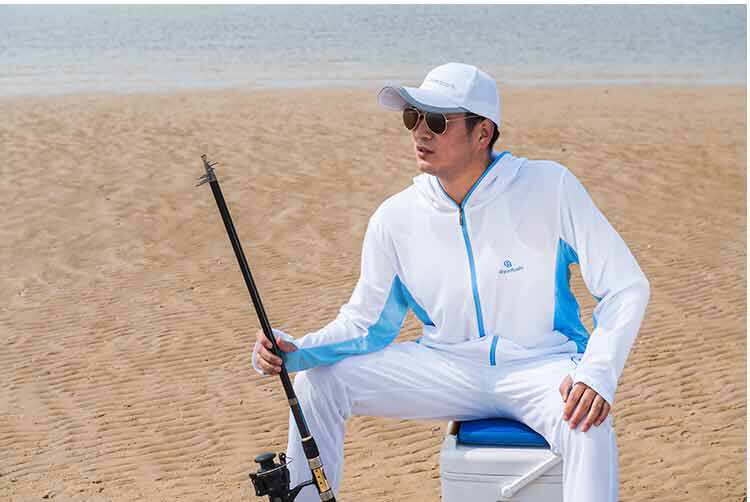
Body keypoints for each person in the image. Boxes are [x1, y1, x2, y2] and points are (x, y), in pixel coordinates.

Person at [252, 62, 650, 502]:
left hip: (541, 367)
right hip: (446, 369)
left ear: (484, 132)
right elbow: (366, 326)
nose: (421, 132)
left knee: (587, 423)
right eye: (413, 117)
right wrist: (296, 350)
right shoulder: (394, 218)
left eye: (438, 121)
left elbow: (625, 286)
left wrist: (596, 373)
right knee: (317, 384)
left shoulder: (550, 187)